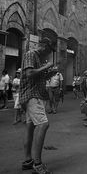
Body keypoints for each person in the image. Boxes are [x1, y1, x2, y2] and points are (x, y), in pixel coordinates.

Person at [19, 37, 54, 174]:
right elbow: (29, 74)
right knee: (43, 124)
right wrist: (46, 66)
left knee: (30, 126)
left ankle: (28, 161)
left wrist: (48, 74)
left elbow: (36, 77)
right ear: (45, 46)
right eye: (50, 50)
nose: (49, 54)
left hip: (33, 94)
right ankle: (37, 164)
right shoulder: (31, 54)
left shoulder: (38, 58)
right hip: (32, 95)